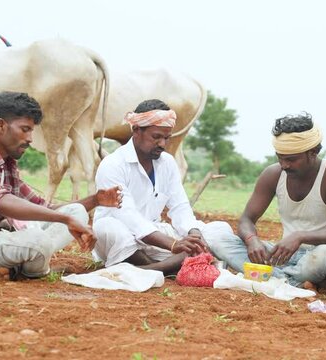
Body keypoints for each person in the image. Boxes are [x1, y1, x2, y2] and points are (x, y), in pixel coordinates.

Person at [0, 91, 122, 280]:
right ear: (1, 126)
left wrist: (95, 200)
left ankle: (24, 266)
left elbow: (44, 208)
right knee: (39, 241)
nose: (30, 138)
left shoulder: (7, 165)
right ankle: (31, 271)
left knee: (77, 212)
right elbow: (0, 200)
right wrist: (64, 219)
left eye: (31, 130)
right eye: (25, 129)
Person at [207, 113, 326, 291]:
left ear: (313, 152)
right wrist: (252, 240)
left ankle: (271, 278)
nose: (284, 165)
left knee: (325, 256)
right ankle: (288, 281)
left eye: (291, 159)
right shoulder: (273, 174)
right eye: (280, 157)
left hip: (323, 256)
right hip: (284, 256)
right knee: (217, 239)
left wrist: (300, 236)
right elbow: (246, 219)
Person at [92, 99, 233, 275]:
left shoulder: (167, 162)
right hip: (121, 236)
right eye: (156, 137)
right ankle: (167, 267)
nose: (162, 144)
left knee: (217, 230)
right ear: (136, 130)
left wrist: (194, 235)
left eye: (166, 138)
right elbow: (128, 217)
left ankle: (155, 268)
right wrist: (173, 245)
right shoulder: (113, 164)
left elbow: (180, 207)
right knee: (108, 227)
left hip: (155, 235)